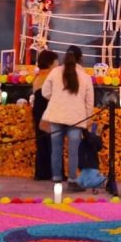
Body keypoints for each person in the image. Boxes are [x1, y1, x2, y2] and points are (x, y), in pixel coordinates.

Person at [41, 45, 94, 188]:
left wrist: (56, 98)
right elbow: (89, 103)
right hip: (76, 118)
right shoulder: (86, 77)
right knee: (73, 151)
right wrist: (88, 119)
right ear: (80, 59)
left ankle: (56, 179)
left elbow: (45, 92)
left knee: (56, 149)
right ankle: (72, 180)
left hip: (56, 115)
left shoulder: (55, 72)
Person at [32, 49, 58, 180]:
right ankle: (53, 172)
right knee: (52, 141)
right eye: (56, 61)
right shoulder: (52, 76)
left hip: (38, 110)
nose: (58, 64)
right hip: (49, 109)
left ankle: (41, 172)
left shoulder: (38, 76)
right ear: (50, 63)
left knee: (42, 141)